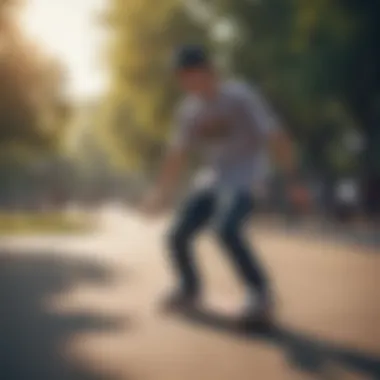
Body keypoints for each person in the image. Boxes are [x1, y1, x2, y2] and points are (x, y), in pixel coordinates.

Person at [141, 45, 304, 322]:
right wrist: (161, 191)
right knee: (176, 234)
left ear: (208, 71)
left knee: (225, 229)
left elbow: (275, 135)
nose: (185, 82)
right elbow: (177, 153)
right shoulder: (189, 110)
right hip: (213, 180)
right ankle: (190, 288)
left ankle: (260, 293)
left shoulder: (240, 96)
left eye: (190, 74)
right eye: (181, 77)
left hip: (247, 178)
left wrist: (293, 180)